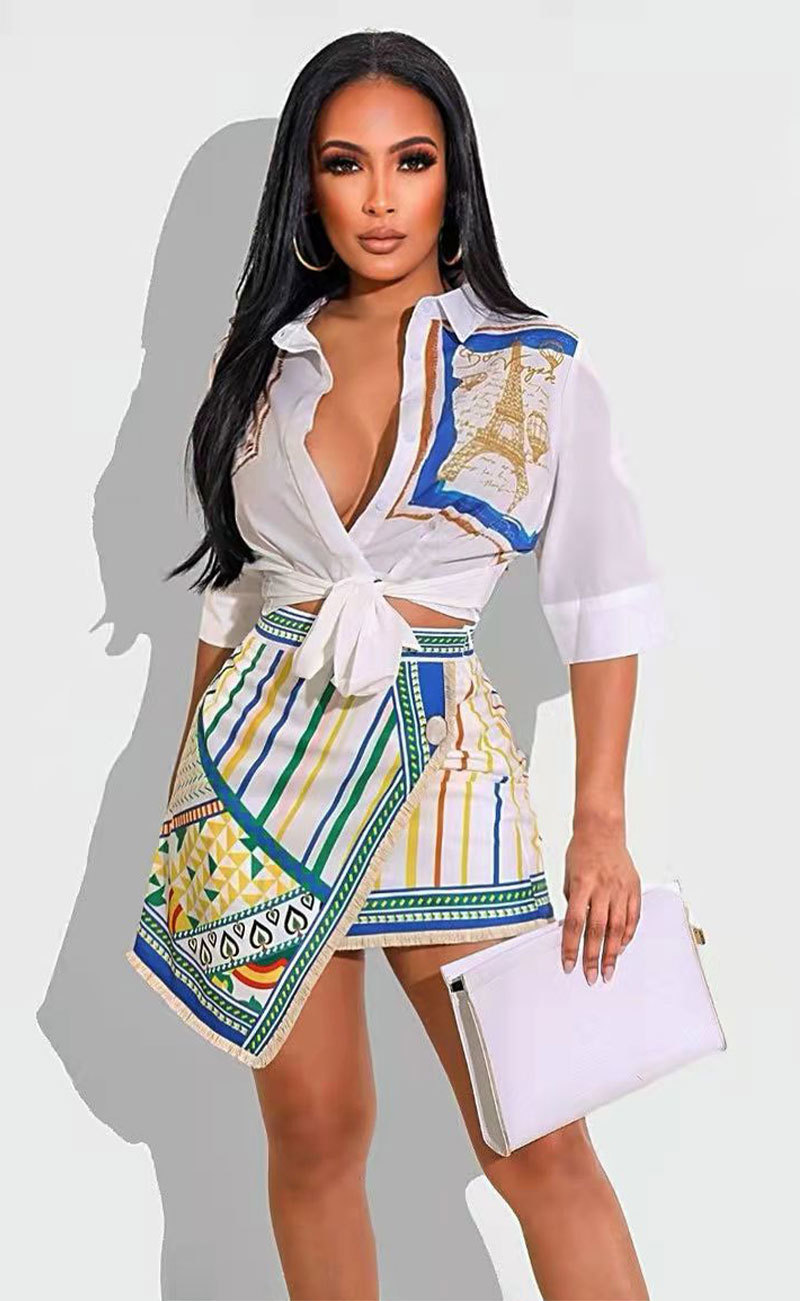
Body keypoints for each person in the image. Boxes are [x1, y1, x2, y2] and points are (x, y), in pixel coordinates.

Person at [126, 28, 666, 1301]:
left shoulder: (531, 364)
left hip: (442, 752)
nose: (378, 197)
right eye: (344, 163)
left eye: (409, 161)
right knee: (314, 1134)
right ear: (306, 186)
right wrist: (187, 801)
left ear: (451, 175)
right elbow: (234, 594)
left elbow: (599, 595)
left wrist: (598, 822)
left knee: (538, 1139)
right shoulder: (254, 362)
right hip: (258, 765)